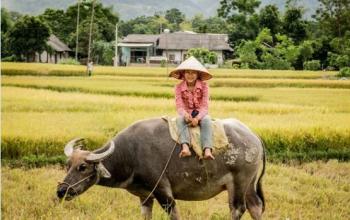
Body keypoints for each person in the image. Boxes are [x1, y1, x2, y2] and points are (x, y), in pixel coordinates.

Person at [169, 56, 215, 160]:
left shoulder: (204, 87)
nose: (190, 75)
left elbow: (205, 106)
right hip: (186, 114)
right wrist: (185, 115)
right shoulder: (178, 88)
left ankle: (207, 149)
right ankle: (185, 147)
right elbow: (179, 105)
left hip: (200, 114)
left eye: (193, 73)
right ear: (183, 74)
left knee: (207, 120)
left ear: (198, 74)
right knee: (179, 120)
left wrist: (197, 118)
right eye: (187, 72)